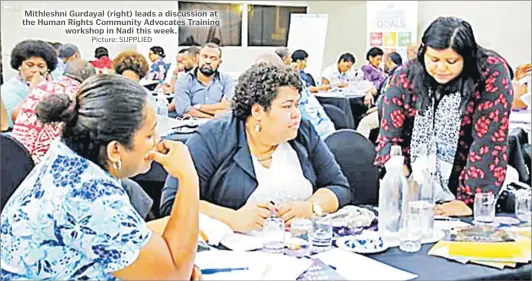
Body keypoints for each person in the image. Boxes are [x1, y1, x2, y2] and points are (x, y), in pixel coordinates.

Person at [1, 75, 201, 280]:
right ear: (115, 150)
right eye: (150, 135)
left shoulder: (67, 155)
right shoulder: (89, 196)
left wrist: (171, 261)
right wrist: (187, 176)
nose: (158, 141)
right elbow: (174, 276)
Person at [161, 63, 352, 233]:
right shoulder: (211, 138)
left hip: (299, 247)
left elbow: (339, 186)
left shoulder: (303, 133)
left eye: (296, 105)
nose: (296, 115)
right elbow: (172, 204)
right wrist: (233, 219)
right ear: (258, 111)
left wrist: (311, 207)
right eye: (287, 107)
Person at [375, 17, 514, 217]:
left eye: (451, 61)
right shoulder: (405, 76)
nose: (441, 68)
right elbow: (390, 135)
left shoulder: (489, 73)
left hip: (467, 170)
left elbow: (489, 140)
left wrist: (470, 200)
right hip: (417, 180)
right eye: (433, 60)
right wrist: (400, 180)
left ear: (467, 57)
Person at [11, 59, 96, 164]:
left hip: (14, 155)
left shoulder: (41, 87)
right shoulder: (79, 96)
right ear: (89, 79)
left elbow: (15, 115)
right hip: (43, 165)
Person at [1, 39, 57, 128]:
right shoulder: (7, 91)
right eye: (30, 65)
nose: (35, 70)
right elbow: (18, 120)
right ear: (19, 66)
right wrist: (34, 90)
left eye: (41, 66)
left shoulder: (53, 86)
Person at [173, 43, 234, 118]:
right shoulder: (183, 80)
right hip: (193, 127)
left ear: (219, 62)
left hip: (220, 128)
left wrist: (198, 107)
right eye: (204, 56)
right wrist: (213, 117)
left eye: (213, 58)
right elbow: (184, 110)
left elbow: (229, 106)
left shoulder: (226, 80)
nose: (208, 61)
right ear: (198, 59)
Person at [356, 52, 403, 140]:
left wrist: (377, 108)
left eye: (384, 61)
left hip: (389, 112)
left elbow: (391, 97)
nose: (383, 64)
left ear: (389, 61)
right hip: (385, 108)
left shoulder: (396, 76)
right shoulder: (394, 74)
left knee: (364, 123)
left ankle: (358, 151)